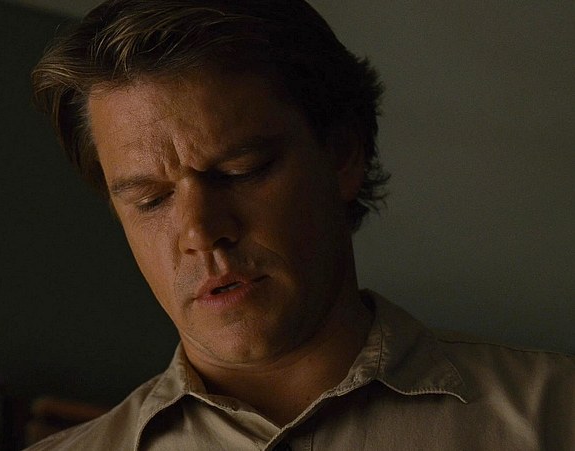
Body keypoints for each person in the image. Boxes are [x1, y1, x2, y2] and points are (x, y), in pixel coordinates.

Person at [28, 0, 574, 449]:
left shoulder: (558, 417)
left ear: (342, 157)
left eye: (241, 171)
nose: (200, 233)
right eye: (151, 200)